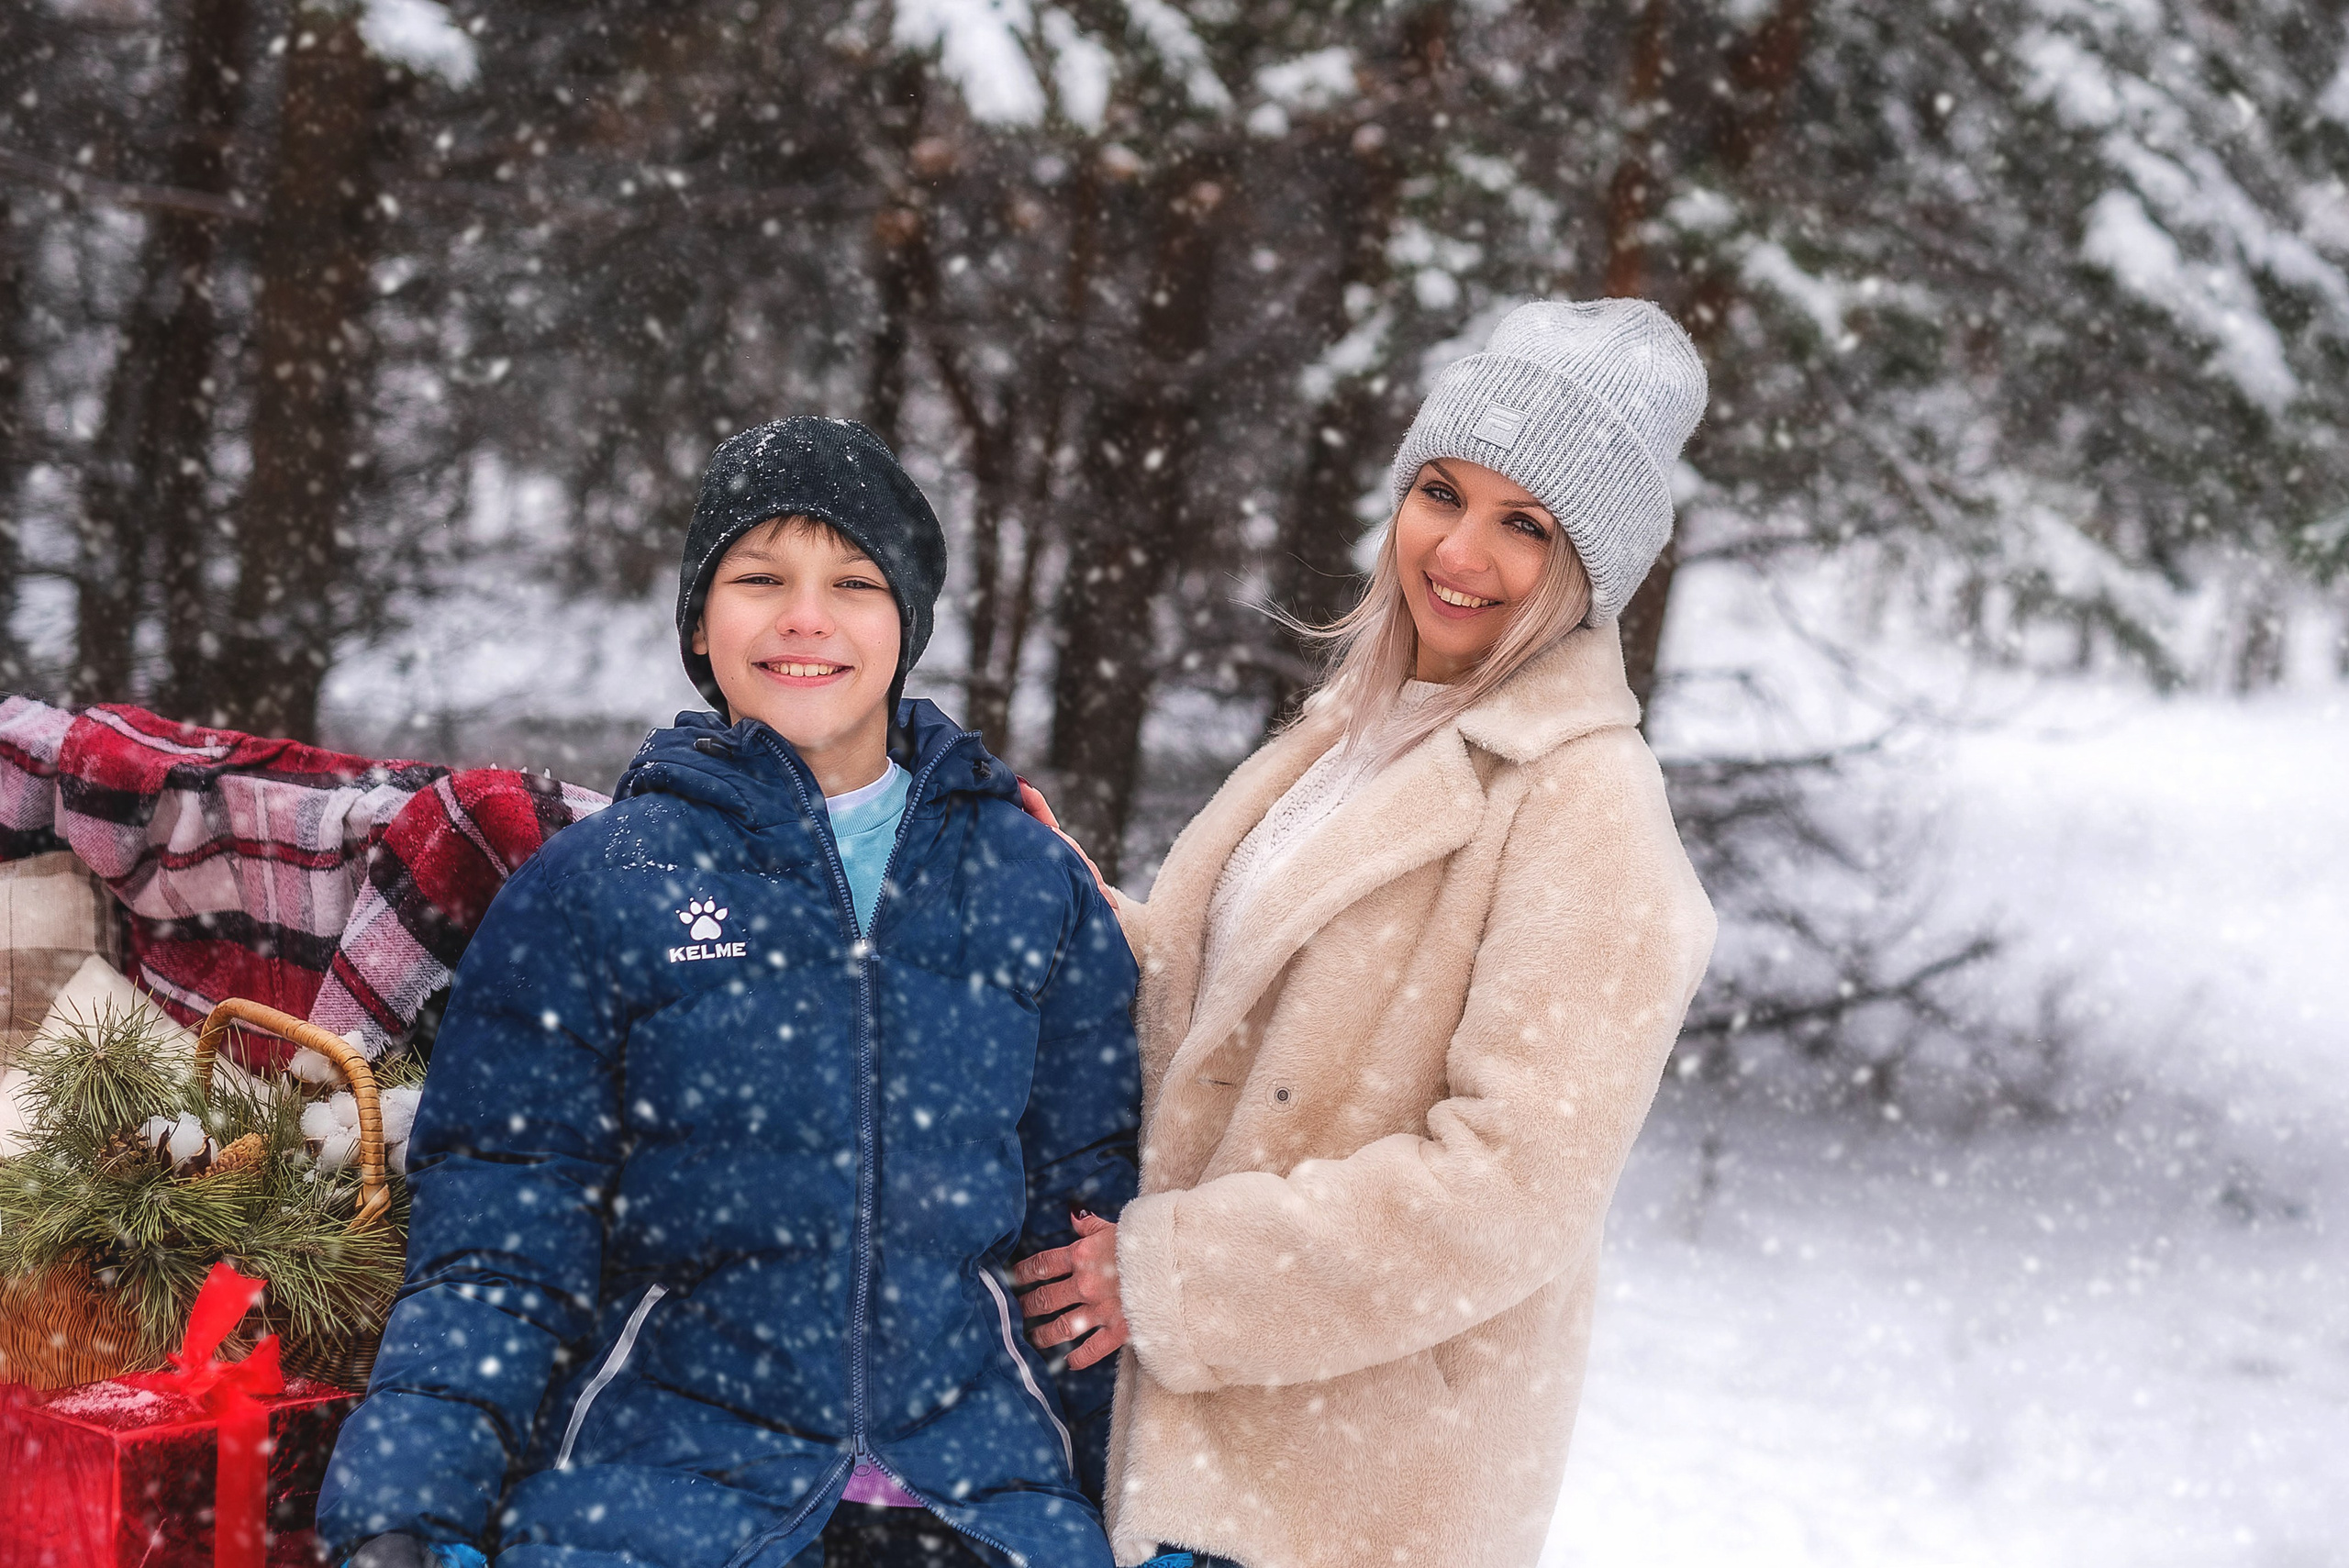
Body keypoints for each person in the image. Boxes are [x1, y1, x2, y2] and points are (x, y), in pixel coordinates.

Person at [317, 417, 1141, 1568]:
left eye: (854, 581)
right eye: (760, 578)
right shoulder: (600, 885)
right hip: (661, 1488)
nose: (806, 616)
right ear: (702, 623)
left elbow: (1090, 1247)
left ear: (907, 624)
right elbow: (503, 1243)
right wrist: (406, 1510)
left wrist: (1174, 1515)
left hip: (982, 1496)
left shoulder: (1024, 880)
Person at [1012, 300, 1720, 1568]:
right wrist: (1055, 895)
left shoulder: (1586, 803)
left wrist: (1179, 1277)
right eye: (1440, 492)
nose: (1459, 548)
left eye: (1526, 524)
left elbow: (1508, 1192)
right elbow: (1218, 1013)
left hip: (1343, 1491)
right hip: (1214, 1455)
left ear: (1590, 568)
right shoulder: (1359, 734)